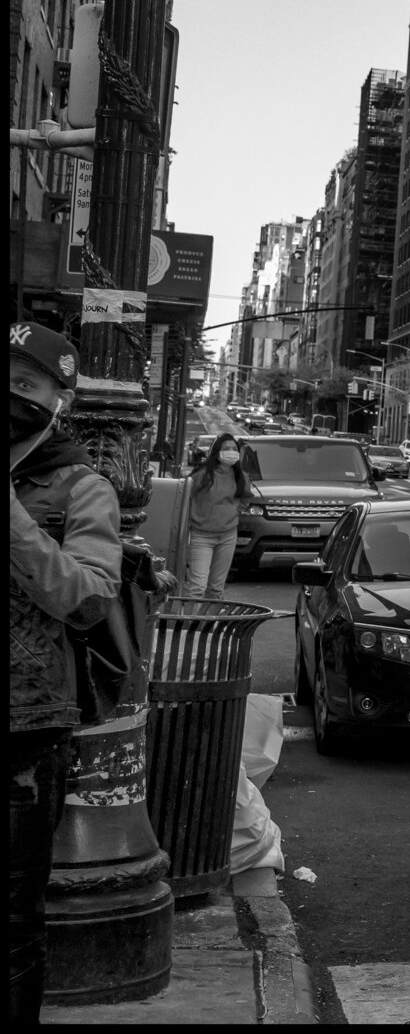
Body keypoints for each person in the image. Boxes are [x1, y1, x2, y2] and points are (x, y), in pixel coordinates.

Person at [9, 323, 121, 1022]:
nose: (10, 394)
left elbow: (85, 599)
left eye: (25, 384)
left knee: (12, 924)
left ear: (59, 399)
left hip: (21, 730)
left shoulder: (81, 486)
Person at [183, 434, 251, 600]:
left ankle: (210, 623)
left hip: (228, 536)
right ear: (216, 451)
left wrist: (235, 512)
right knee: (197, 588)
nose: (231, 452)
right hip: (201, 536)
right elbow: (184, 495)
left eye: (234, 449)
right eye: (226, 448)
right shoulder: (202, 474)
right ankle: (191, 624)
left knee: (216, 589)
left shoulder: (241, 476)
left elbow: (246, 497)